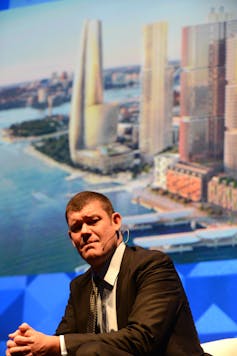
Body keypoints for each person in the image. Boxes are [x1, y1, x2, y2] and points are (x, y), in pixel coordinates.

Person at [6, 190, 211, 356]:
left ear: (116, 221)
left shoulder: (153, 265)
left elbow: (142, 339)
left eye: (93, 221)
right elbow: (65, 342)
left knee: (91, 351)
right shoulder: (79, 286)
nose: (85, 232)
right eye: (77, 227)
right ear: (72, 238)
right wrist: (30, 348)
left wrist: (54, 345)